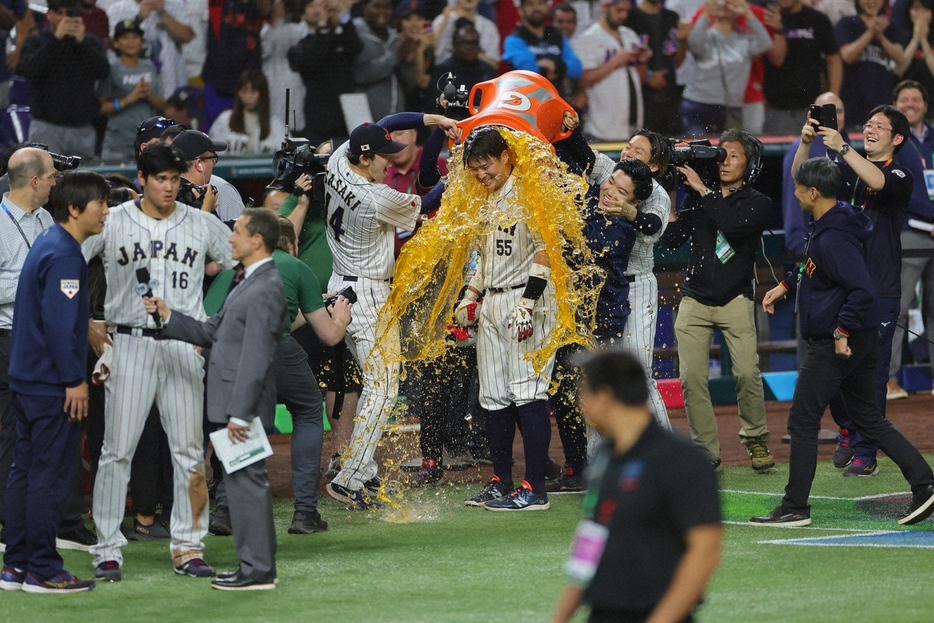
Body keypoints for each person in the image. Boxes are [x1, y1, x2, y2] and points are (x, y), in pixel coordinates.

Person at [752, 156, 934, 527]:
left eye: (799, 188)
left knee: (802, 421)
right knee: (868, 417)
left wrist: (840, 332)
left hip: (839, 342)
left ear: (813, 192)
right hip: (858, 338)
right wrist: (786, 286)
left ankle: (794, 507)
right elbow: (818, 268)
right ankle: (926, 485)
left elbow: (862, 291)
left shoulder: (834, 236)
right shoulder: (834, 222)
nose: (796, 193)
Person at [85, 143, 235, 582]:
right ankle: (107, 548)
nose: (170, 186)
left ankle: (189, 547)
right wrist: (87, 322)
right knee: (117, 451)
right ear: (142, 179)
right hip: (130, 344)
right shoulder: (113, 222)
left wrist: (212, 323)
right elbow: (65, 259)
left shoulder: (201, 223)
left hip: (183, 346)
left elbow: (244, 263)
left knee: (189, 452)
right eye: (161, 179)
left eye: (175, 178)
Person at [145, 208, 286, 590]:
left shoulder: (265, 286)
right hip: (231, 404)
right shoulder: (248, 281)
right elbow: (212, 332)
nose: (229, 237)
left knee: (248, 485)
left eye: (237, 231)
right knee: (242, 486)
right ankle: (255, 567)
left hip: (240, 408)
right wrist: (168, 315)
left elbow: (256, 356)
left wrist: (240, 414)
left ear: (257, 239)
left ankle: (257, 571)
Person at [323, 113, 457, 508]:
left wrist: (432, 119)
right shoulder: (374, 197)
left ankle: (360, 472)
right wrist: (457, 174)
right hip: (367, 296)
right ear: (365, 159)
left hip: (341, 286)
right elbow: (429, 202)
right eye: (383, 156)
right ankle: (348, 478)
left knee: (376, 386)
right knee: (384, 390)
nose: (390, 161)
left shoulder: (337, 162)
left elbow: (387, 121)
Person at [203, 216, 351, 536]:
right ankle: (305, 511)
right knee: (309, 408)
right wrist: (338, 317)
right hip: (270, 349)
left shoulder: (233, 269)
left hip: (219, 355)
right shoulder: (296, 267)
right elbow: (328, 336)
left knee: (242, 422)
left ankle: (226, 509)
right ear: (288, 244)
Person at [550, 350, 722, 623]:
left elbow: (705, 552)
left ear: (605, 397)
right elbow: (590, 539)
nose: (582, 406)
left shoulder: (682, 461)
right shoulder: (603, 457)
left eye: (586, 396)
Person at [0, 170, 110, 594]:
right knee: (47, 474)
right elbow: (62, 326)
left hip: (26, 378)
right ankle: (43, 569)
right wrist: (73, 381)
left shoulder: (49, 243)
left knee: (23, 472)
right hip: (50, 384)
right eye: (99, 203)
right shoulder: (65, 254)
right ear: (74, 208)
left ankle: (15, 565)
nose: (105, 210)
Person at [793, 104, 912, 477]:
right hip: (839, 286)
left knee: (871, 373)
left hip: (878, 287)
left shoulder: (901, 173)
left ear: (898, 138)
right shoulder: (847, 167)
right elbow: (803, 179)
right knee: (832, 368)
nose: (871, 128)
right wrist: (805, 143)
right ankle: (848, 429)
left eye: (880, 126)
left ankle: (866, 450)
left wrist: (844, 148)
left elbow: (877, 182)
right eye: (869, 123)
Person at [455, 125, 559, 511]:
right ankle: (502, 480)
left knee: (528, 391)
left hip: (526, 298)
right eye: (475, 168)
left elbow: (546, 249)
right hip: (494, 303)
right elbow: (484, 260)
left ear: (506, 158)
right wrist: (470, 297)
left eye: (487, 165)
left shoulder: (530, 193)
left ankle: (535, 488)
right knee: (493, 396)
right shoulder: (484, 200)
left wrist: (528, 303)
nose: (482, 174)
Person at [660, 129, 774, 472]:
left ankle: (755, 437)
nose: (724, 161)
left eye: (734, 155)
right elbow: (673, 239)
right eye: (721, 154)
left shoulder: (758, 202)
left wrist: (703, 191)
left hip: (735, 297)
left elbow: (734, 226)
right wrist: (672, 192)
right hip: (695, 297)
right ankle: (706, 452)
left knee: (746, 373)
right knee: (692, 379)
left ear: (750, 165)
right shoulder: (698, 196)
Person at [17, 0, 110, 161]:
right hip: (46, 126)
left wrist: (82, 43)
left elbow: (103, 71)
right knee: (44, 178)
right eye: (60, 13)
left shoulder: (89, 42)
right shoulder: (37, 41)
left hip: (81, 128)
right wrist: (56, 39)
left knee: (82, 182)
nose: (65, 19)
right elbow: (30, 70)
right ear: (49, 15)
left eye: (69, 14)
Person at [890, 80, 934, 399]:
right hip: (910, 231)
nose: (910, 103)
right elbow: (903, 193)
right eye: (904, 99)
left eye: (916, 99)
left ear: (925, 105)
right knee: (899, 306)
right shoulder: (893, 141)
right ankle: (889, 378)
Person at [680, 0, 773, 136]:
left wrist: (748, 13)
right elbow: (693, 44)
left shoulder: (745, 40)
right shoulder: (705, 37)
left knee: (728, 153)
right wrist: (706, 13)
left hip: (730, 107)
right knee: (696, 152)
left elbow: (766, 43)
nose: (723, 4)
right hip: (698, 103)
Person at [288, 0, 363, 145]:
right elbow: (314, 59)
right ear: (303, 15)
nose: (318, 9)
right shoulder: (300, 46)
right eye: (312, 5)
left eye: (322, 4)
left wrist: (343, 14)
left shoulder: (340, 37)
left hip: (348, 114)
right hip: (320, 117)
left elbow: (355, 48)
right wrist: (322, 26)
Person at [763, 0, 842, 134]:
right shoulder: (766, 17)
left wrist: (832, 98)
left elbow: (834, 60)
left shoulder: (817, 19)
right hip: (774, 107)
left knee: (812, 153)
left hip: (810, 107)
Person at [573, 0, 647, 142]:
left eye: (626, 11)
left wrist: (641, 61)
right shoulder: (588, 37)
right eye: (619, 10)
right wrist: (615, 62)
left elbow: (642, 80)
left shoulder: (630, 34)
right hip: (601, 128)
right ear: (605, 7)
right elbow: (584, 79)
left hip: (632, 124)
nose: (623, 15)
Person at [98, 18, 166, 164]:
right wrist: (130, 98)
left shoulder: (149, 67)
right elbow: (101, 108)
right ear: (116, 43)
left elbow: (163, 105)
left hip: (148, 142)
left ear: (142, 41)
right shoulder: (111, 69)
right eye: (125, 37)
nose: (131, 42)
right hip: (118, 144)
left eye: (135, 37)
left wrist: (148, 96)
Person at [835, 0, 906, 130]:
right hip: (852, 103)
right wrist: (871, 32)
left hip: (882, 102)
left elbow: (900, 58)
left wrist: (880, 36)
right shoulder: (846, 23)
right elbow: (847, 56)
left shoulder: (891, 27)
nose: (872, 1)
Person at [105, 0, 194, 99]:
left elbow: (187, 37)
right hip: (130, 86)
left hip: (170, 81)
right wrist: (138, 19)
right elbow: (113, 44)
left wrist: (163, 13)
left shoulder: (175, 4)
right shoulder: (118, 8)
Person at [625, 0, 687, 135]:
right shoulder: (629, 17)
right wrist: (648, 76)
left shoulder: (671, 17)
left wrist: (683, 41)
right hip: (642, 95)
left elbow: (677, 61)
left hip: (670, 93)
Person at [504, 0, 583, 95]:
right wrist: (559, 69)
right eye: (530, 4)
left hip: (556, 100)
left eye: (541, 3)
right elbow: (530, 71)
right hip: (525, 101)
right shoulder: (514, 39)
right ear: (520, 9)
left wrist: (553, 65)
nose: (537, 8)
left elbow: (577, 69)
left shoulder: (557, 36)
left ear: (547, 6)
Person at [210, 69, 283, 156]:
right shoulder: (224, 120)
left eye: (253, 91)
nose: (248, 96)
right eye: (244, 91)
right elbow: (212, 154)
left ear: (262, 93)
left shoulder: (276, 125)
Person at [353, 0, 404, 122]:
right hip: (362, 114)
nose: (382, 12)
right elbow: (362, 74)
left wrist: (410, 58)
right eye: (377, 6)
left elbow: (409, 82)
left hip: (395, 112)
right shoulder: (354, 32)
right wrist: (396, 54)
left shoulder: (395, 36)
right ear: (365, 8)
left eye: (386, 7)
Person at [431, 0, 500, 68]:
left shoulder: (489, 26)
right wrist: (445, 20)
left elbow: (494, 63)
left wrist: (472, 53)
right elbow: (430, 52)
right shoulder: (442, 20)